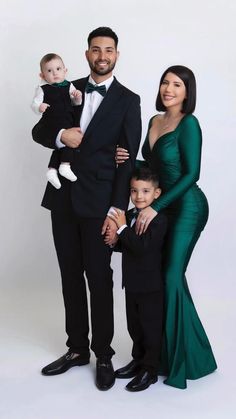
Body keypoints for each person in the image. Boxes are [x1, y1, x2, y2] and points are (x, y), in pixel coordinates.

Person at [32, 27, 141, 390]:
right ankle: (77, 348)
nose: (102, 55)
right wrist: (62, 136)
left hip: (99, 204)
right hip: (63, 199)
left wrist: (116, 210)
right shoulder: (65, 86)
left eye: (108, 50)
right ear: (87, 53)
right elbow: (39, 131)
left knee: (99, 278)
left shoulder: (129, 99)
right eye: (96, 49)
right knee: (69, 276)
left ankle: (104, 353)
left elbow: (126, 162)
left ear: (117, 55)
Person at [115, 65, 217, 389]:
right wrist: (128, 159)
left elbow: (192, 174)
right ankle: (150, 355)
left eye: (177, 84)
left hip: (187, 207)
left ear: (188, 92)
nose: (168, 89)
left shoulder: (189, 124)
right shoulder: (155, 121)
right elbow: (152, 166)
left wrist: (155, 207)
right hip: (161, 206)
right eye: (164, 83)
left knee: (170, 276)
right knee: (156, 279)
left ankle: (181, 359)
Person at [108, 167, 167, 392]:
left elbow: (142, 248)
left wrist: (122, 227)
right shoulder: (131, 215)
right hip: (131, 283)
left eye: (145, 191)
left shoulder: (159, 221)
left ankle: (150, 370)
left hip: (150, 287)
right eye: (134, 191)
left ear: (157, 193)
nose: (139, 196)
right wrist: (116, 242)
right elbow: (129, 245)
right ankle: (138, 361)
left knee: (150, 329)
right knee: (135, 327)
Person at [31, 53, 82, 189]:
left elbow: (76, 103)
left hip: (67, 121)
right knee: (65, 145)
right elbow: (35, 104)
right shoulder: (42, 89)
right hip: (53, 121)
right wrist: (39, 107)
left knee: (62, 147)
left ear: (65, 71)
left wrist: (77, 97)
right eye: (49, 71)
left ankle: (52, 170)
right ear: (42, 76)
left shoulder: (69, 85)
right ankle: (64, 166)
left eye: (58, 69)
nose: (55, 73)